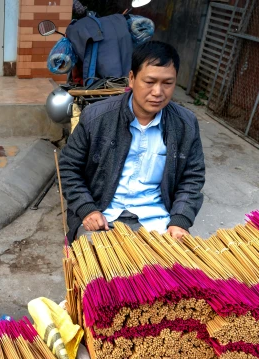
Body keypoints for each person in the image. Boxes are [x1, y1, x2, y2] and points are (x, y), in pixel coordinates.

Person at [59, 41, 205, 242]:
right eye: (149, 81)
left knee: (178, 269)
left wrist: (179, 220)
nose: (157, 92)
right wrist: (87, 209)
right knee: (97, 267)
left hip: (159, 221)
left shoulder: (185, 124)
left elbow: (192, 177)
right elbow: (69, 167)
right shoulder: (96, 117)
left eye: (167, 83)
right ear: (131, 78)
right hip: (103, 216)